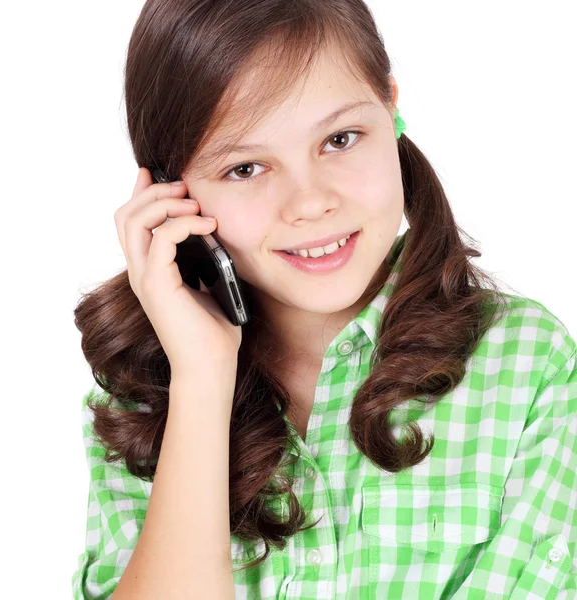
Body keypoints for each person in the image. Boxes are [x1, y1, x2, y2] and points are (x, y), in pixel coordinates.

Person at [71, 0, 576, 598]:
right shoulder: (143, 397)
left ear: (391, 108)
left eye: (340, 138)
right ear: (169, 193)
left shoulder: (526, 364)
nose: (310, 203)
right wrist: (201, 382)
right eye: (245, 168)